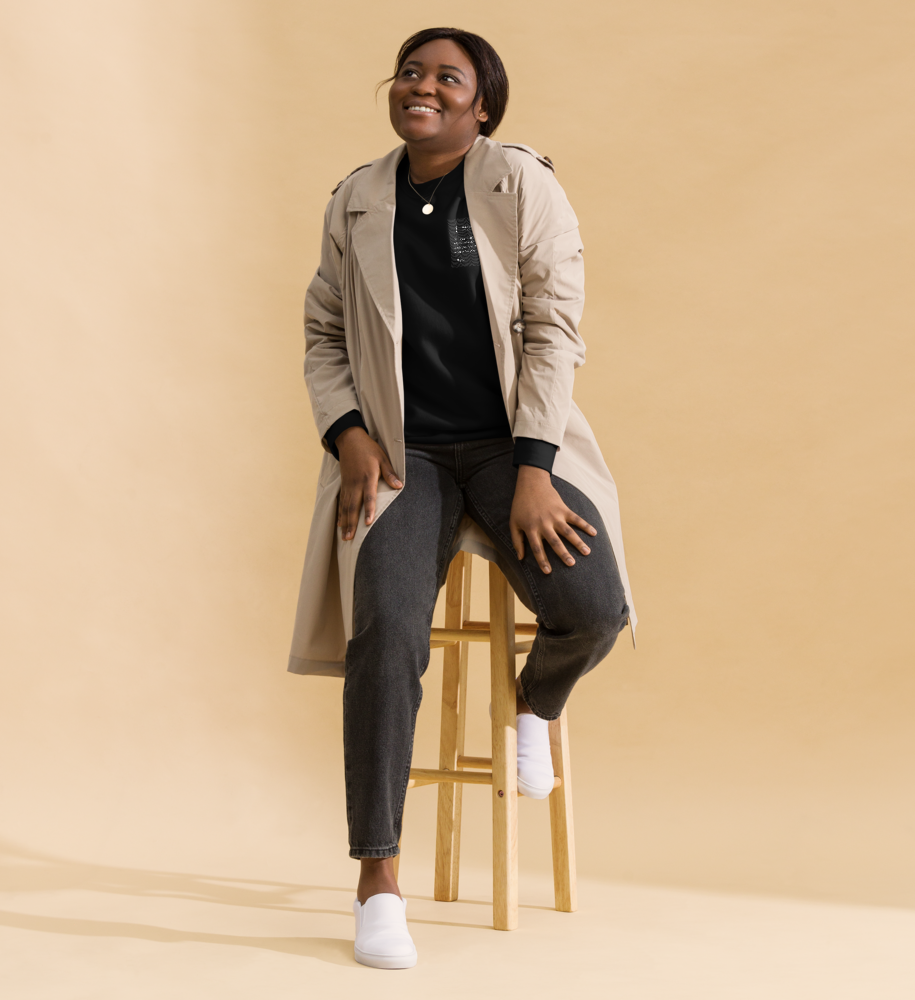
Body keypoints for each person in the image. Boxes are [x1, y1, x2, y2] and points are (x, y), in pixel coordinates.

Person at [290, 27, 636, 969]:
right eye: (411, 72)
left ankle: (535, 706)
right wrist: (349, 434)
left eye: (449, 77)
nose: (424, 86)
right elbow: (324, 330)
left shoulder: (520, 182)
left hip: (513, 440)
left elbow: (553, 330)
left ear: (483, 106)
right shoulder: (356, 198)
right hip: (402, 454)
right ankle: (378, 881)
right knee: (386, 632)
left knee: (593, 606)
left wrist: (535, 470)